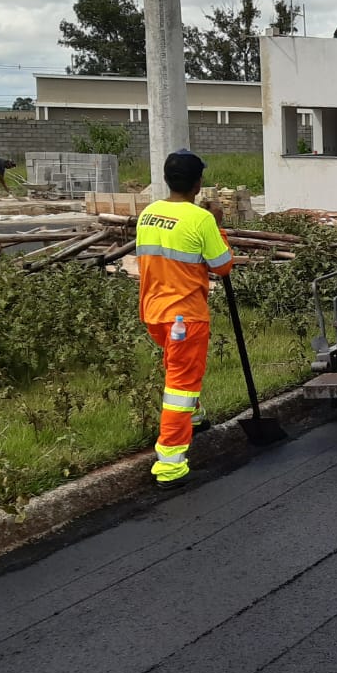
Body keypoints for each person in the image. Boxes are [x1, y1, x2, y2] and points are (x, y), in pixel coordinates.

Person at [135, 150, 233, 489]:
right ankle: (170, 465)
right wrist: (218, 225)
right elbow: (222, 265)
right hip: (186, 317)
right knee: (179, 386)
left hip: (153, 313)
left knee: (179, 370)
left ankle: (195, 415)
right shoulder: (200, 219)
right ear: (198, 183)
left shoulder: (148, 214)